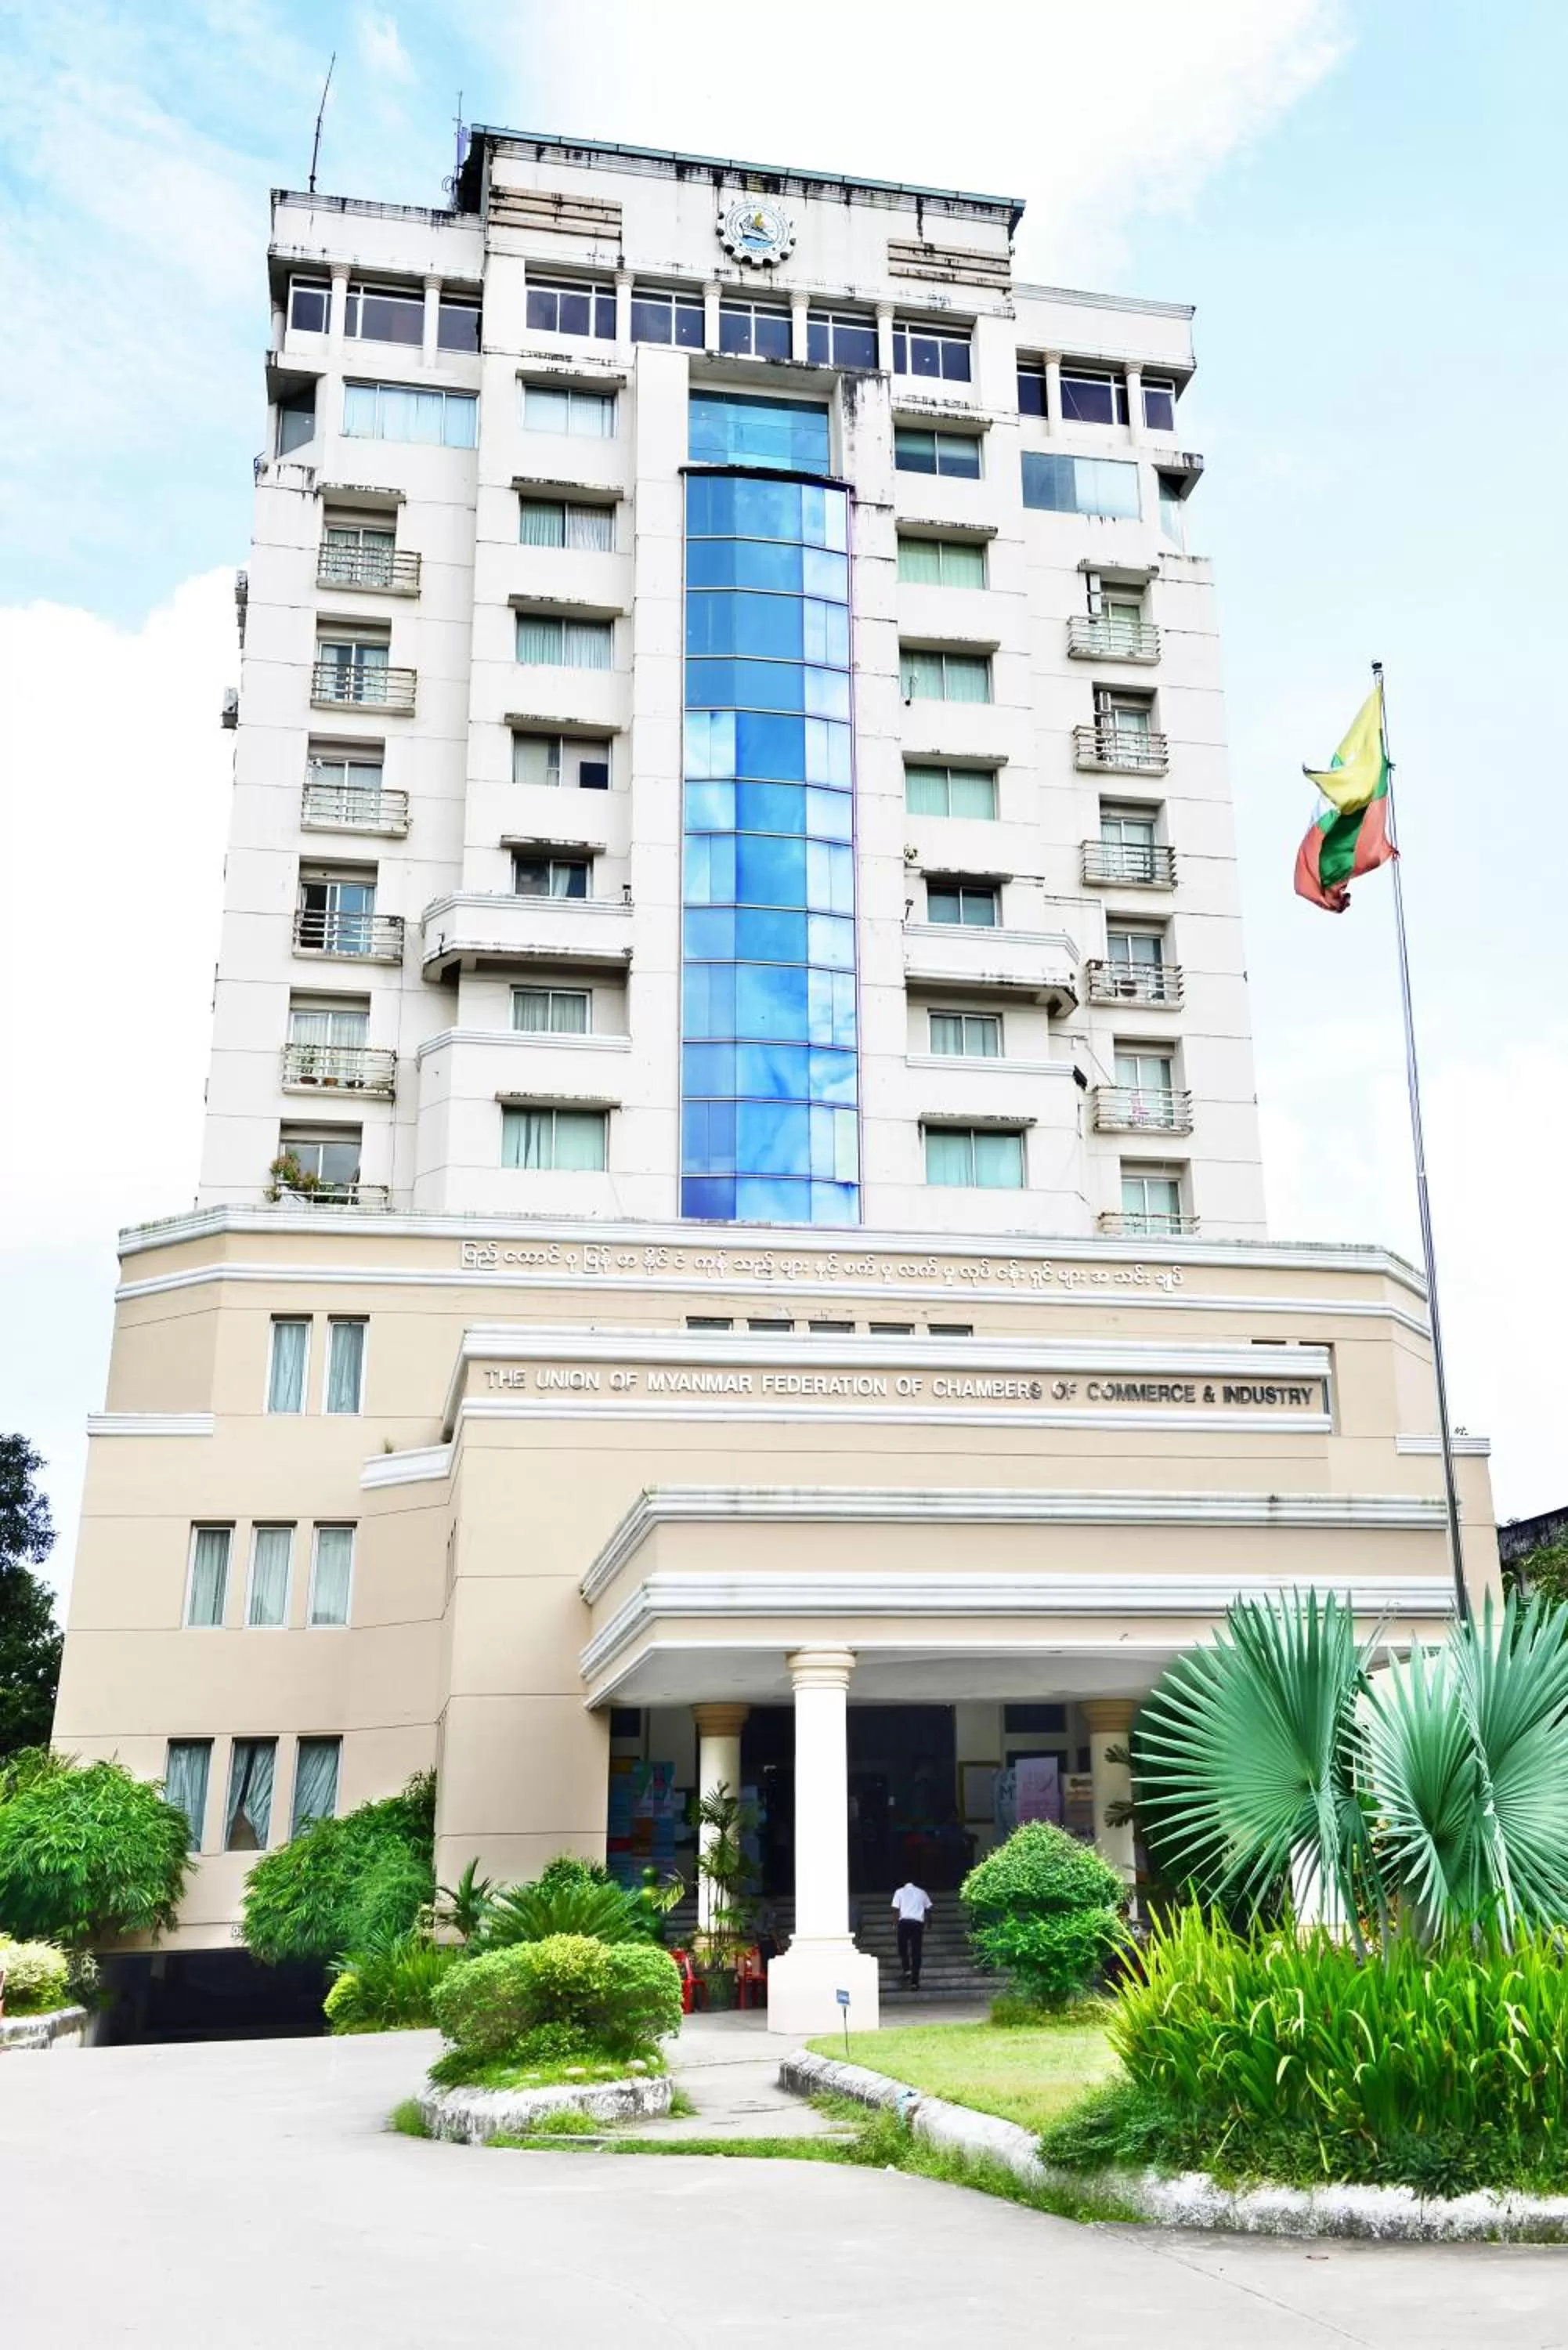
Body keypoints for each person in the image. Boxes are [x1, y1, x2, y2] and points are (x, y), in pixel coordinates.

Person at [891, 1878, 934, 1989]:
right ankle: (915, 1982)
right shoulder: (922, 1892)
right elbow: (928, 1908)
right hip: (917, 1924)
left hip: (904, 1923)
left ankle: (906, 1969)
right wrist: (929, 1922)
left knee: (902, 1948)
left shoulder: (899, 1892)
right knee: (916, 1953)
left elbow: (895, 1909)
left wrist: (894, 1924)